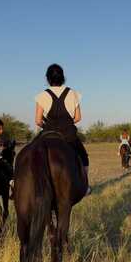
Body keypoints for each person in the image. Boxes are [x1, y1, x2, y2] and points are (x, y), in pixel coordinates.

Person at [35, 64, 91, 194]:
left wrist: (47, 125)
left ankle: (15, 183)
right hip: (68, 135)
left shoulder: (42, 96)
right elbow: (78, 117)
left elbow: (37, 120)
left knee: (27, 152)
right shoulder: (73, 94)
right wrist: (65, 123)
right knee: (84, 157)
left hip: (48, 133)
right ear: (63, 77)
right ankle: (85, 185)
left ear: (47, 78)